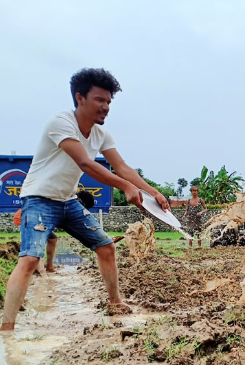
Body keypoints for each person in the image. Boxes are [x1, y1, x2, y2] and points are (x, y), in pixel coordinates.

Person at [1, 68, 169, 331]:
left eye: (109, 102)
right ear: (80, 98)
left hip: (68, 202)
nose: (106, 107)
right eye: (100, 100)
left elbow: (122, 167)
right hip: (39, 199)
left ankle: (115, 302)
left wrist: (153, 193)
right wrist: (124, 186)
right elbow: (85, 162)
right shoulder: (61, 123)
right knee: (30, 260)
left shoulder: (102, 135)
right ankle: (7, 328)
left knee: (106, 247)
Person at [12, 190, 95, 275]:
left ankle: (49, 267)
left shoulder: (67, 202)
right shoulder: (64, 202)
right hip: (25, 218)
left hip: (38, 219)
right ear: (79, 202)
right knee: (38, 243)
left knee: (52, 239)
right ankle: (41, 273)